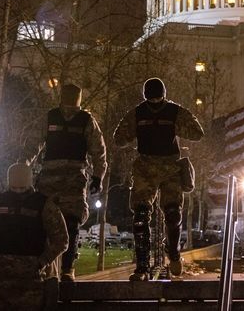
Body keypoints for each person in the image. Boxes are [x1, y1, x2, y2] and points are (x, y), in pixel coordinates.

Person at [113, 77, 204, 280]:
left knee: (155, 215)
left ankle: (155, 261)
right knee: (153, 215)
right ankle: (161, 259)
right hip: (162, 166)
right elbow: (196, 132)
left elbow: (119, 138)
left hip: (153, 167)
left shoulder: (138, 113)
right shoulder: (172, 111)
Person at [26, 82, 107, 282]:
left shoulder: (80, 120)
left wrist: (24, 167)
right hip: (61, 179)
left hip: (66, 179)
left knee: (66, 223)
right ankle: (59, 269)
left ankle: (63, 268)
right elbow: (99, 152)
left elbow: (32, 146)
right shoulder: (80, 120)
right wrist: (98, 176)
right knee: (58, 224)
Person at [0, 163, 68, 311]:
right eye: (14, 188)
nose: (18, 192)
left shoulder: (45, 206)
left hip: (29, 282)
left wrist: (41, 262)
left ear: (29, 183)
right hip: (0, 280)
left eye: (22, 188)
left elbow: (61, 239)